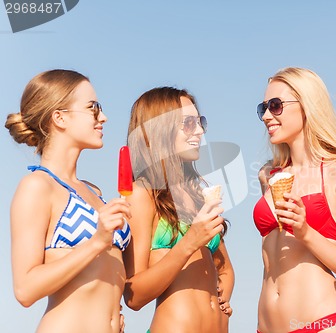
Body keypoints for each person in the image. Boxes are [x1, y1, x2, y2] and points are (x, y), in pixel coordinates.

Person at [5, 69, 131, 333]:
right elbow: (25, 289)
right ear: (59, 117)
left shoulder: (94, 192)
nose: (103, 117)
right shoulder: (37, 187)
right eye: (93, 108)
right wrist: (97, 241)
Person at [253, 67, 336, 333]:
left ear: (307, 106)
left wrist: (305, 232)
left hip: (322, 324)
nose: (267, 116)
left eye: (276, 105)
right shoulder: (268, 175)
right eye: (263, 108)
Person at [122, 87, 234, 333]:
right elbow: (133, 295)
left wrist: (223, 292)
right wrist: (189, 242)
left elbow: (224, 267)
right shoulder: (141, 194)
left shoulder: (195, 194)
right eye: (189, 123)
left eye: (200, 122)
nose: (200, 131)